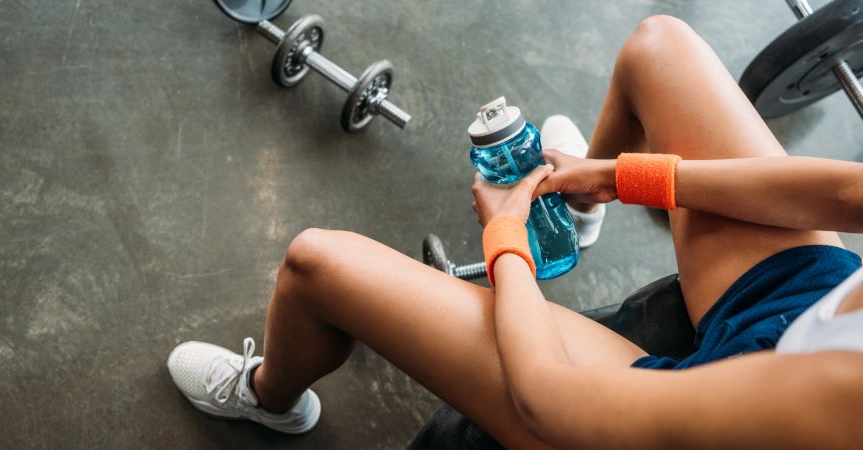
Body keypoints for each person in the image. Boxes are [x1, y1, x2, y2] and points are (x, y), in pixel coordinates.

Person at [166, 15, 863, 448]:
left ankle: (270, 398)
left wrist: (508, 247)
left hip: (726, 419)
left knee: (316, 265)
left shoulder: (836, 399)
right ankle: (582, 212)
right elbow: (844, 192)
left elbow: (551, 402)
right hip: (806, 312)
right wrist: (619, 177)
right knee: (661, 45)